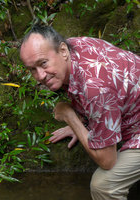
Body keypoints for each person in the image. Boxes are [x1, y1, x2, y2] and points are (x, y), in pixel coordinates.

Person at [20, 24, 140, 200]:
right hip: (132, 109)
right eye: (32, 69)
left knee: (104, 186)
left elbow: (107, 160)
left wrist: (71, 118)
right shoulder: (73, 48)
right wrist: (85, 122)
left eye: (43, 63)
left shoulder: (95, 88)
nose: (40, 76)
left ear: (63, 50)